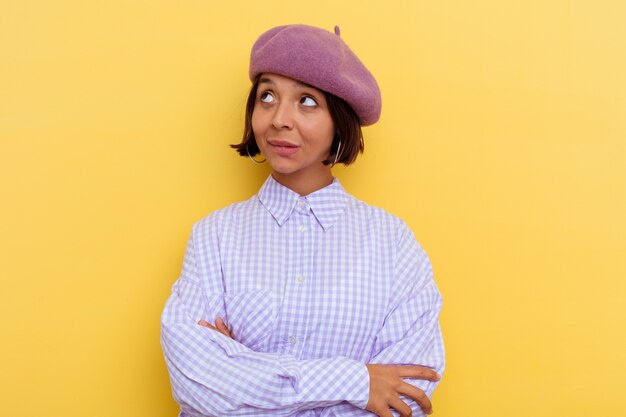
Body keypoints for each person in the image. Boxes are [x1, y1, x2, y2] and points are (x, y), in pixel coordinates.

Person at [161, 24, 445, 417]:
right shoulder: (214, 237)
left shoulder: (392, 244)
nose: (279, 119)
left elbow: (407, 398)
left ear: (339, 121)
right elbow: (198, 385)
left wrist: (243, 369)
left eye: (307, 101)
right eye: (267, 96)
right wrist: (357, 382)